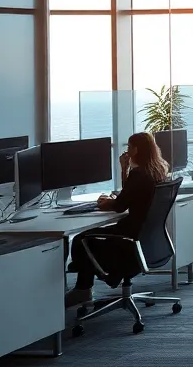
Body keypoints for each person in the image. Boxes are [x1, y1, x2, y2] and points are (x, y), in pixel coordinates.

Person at [64, 131, 170, 307]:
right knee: (87, 237)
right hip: (145, 238)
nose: (127, 150)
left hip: (128, 237)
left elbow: (120, 206)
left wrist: (104, 203)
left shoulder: (139, 174)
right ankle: (89, 286)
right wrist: (124, 169)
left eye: (129, 147)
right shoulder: (158, 170)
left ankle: (84, 289)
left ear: (136, 150)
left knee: (81, 239)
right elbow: (128, 195)